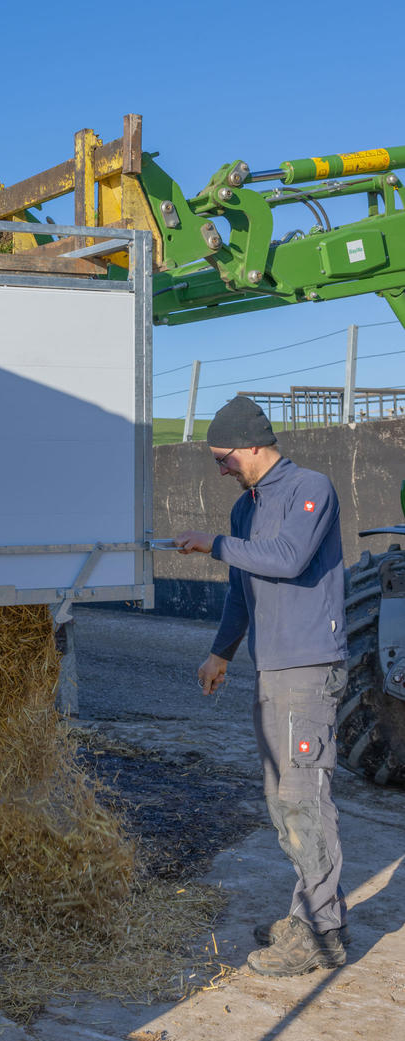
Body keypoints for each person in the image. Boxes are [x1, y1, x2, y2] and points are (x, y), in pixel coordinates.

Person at [175, 395, 349, 978]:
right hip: (271, 667)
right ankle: (311, 917)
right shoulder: (244, 511)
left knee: (303, 797)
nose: (220, 469)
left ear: (253, 444)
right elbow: (239, 588)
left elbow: (290, 558)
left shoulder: (312, 487)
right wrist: (221, 651)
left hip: (309, 666)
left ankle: (320, 934)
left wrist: (214, 544)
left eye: (224, 458)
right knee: (281, 799)